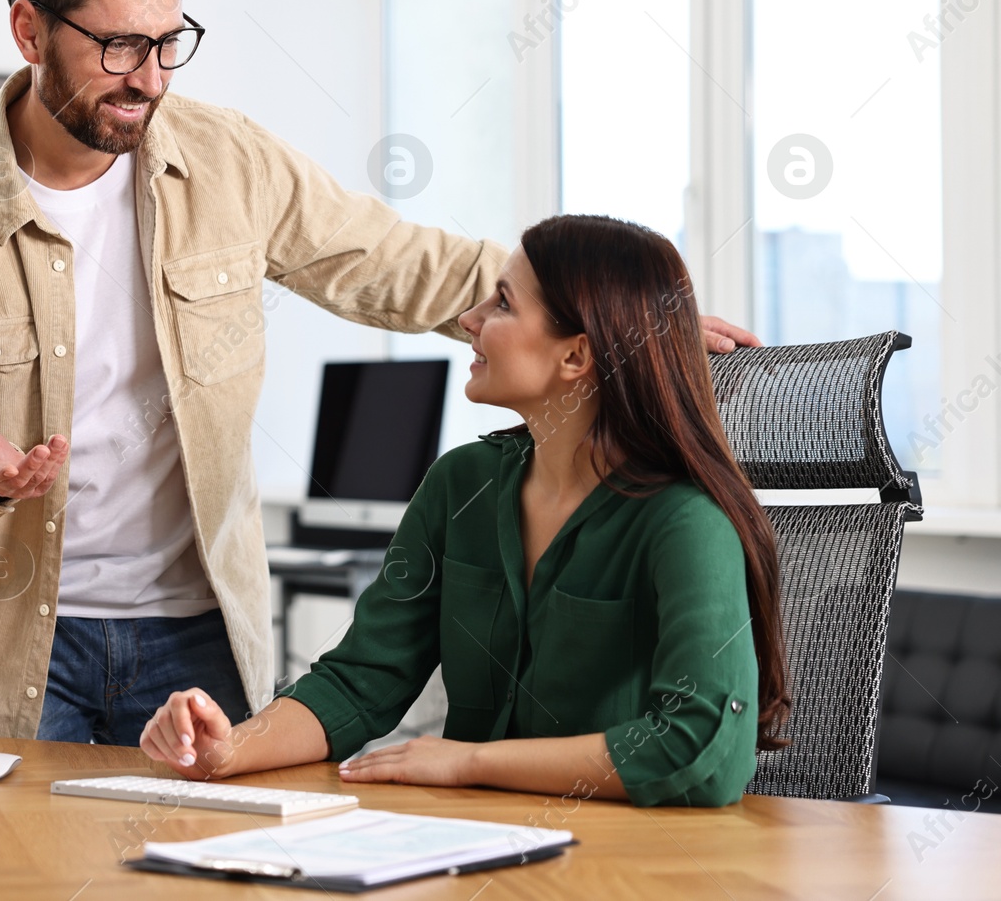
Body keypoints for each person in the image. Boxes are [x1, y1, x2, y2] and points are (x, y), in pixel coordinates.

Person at [0, 0, 759, 744]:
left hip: (196, 628)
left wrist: (606, 317)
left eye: (170, 41)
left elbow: (389, 260)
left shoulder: (227, 160)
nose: (151, 78)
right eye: (118, 47)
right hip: (16, 641)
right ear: (29, 29)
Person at [138, 214, 790, 807]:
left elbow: (704, 749)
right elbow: (363, 678)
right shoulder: (462, 485)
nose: (471, 319)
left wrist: (470, 762)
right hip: (470, 845)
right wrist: (231, 748)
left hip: (629, 865)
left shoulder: (685, 522)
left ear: (575, 355)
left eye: (502, 302)